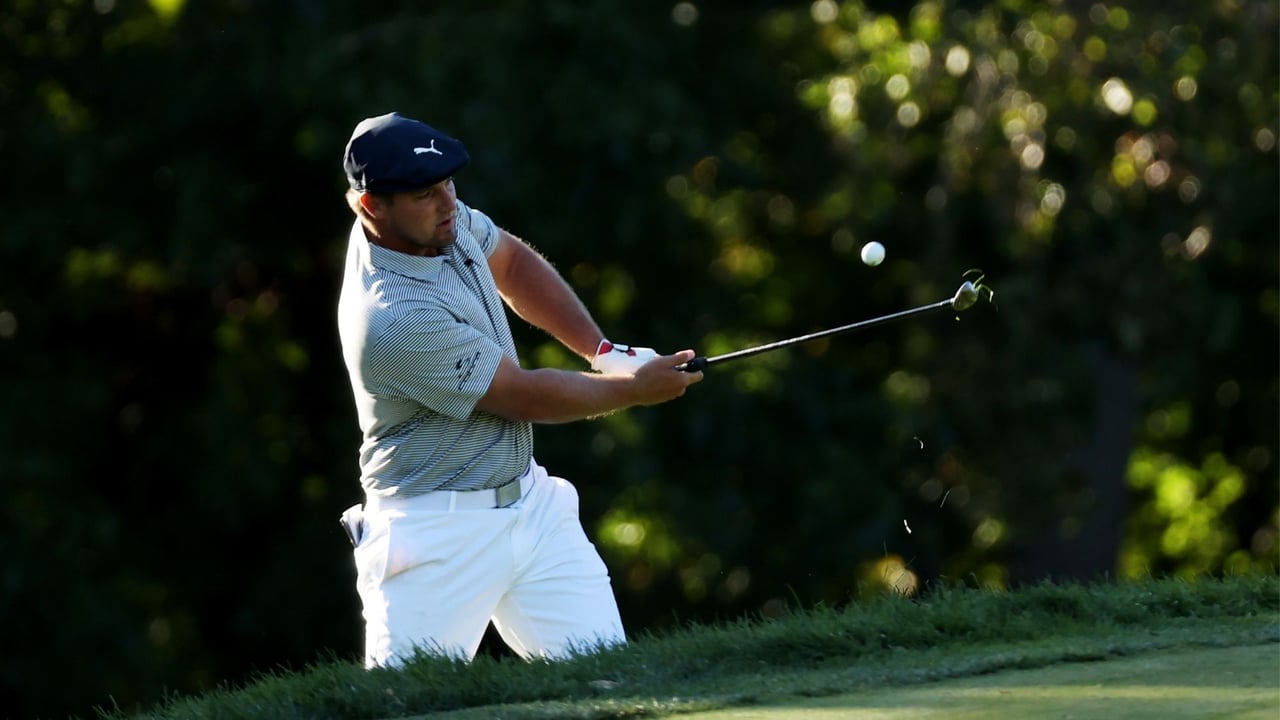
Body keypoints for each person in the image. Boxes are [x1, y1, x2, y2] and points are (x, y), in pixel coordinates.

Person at [335, 112, 703, 668]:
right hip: (434, 535)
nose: (447, 203)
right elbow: (520, 395)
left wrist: (603, 353)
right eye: (423, 194)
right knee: (407, 708)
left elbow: (509, 259)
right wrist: (633, 391)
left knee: (612, 682)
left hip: (531, 508)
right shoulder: (390, 316)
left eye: (448, 184)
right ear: (370, 207)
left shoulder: (442, 225)